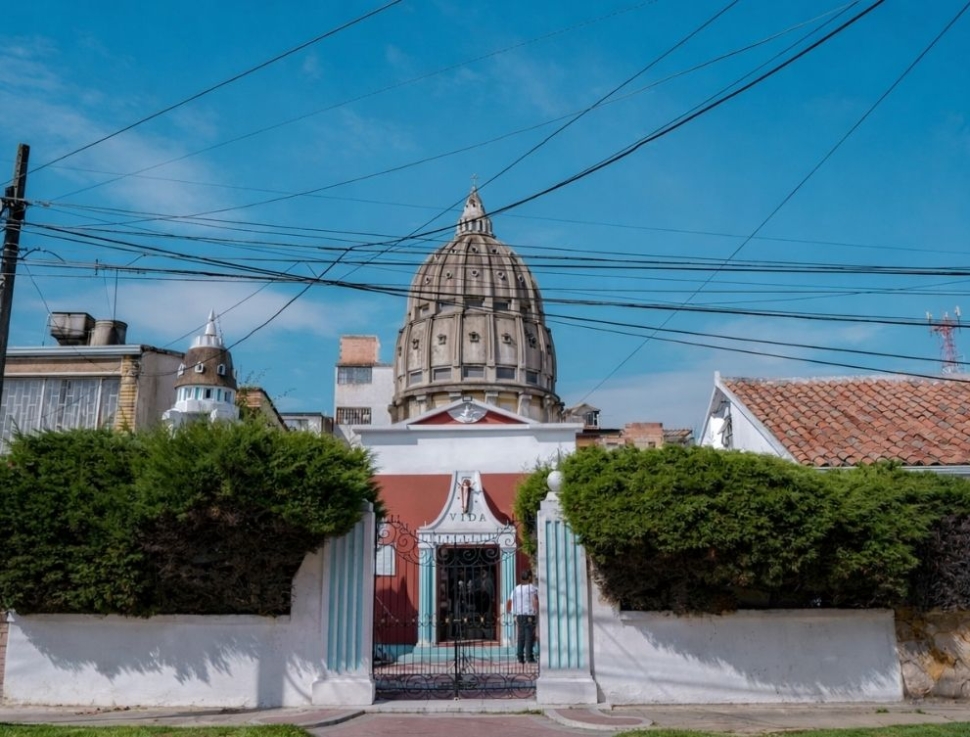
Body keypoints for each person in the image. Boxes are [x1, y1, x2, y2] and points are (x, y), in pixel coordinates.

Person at [507, 569, 538, 664]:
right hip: (529, 615)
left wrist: (512, 613)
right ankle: (529, 657)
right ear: (529, 577)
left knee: (521, 636)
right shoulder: (532, 588)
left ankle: (520, 657)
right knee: (529, 636)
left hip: (519, 615)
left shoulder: (516, 589)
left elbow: (510, 601)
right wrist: (536, 612)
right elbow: (535, 601)